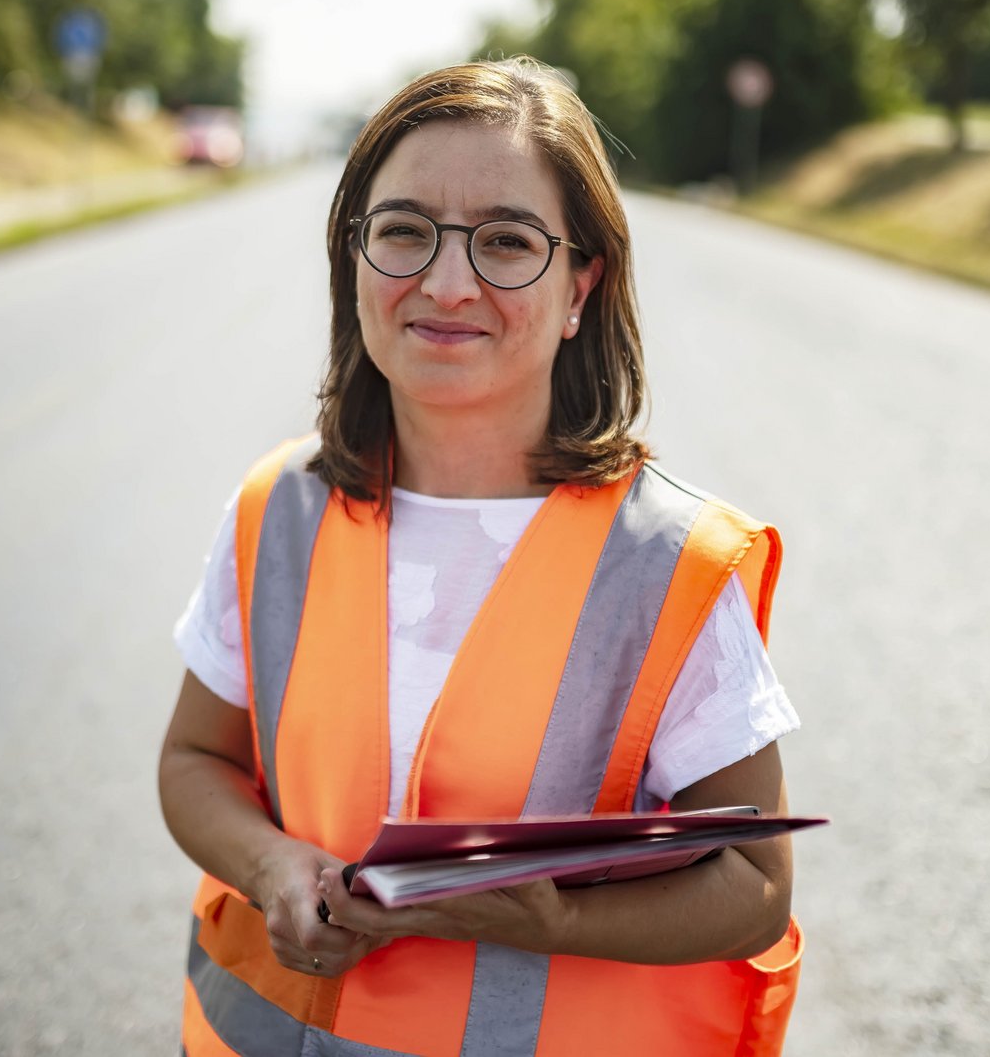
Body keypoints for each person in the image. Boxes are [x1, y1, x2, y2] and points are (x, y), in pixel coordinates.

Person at [159, 56, 803, 1056]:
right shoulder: (276, 511)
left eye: (507, 242)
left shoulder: (668, 564)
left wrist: (565, 926)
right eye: (405, 231)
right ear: (356, 259)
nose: (447, 282)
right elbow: (195, 759)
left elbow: (754, 888)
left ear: (582, 284)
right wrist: (271, 865)